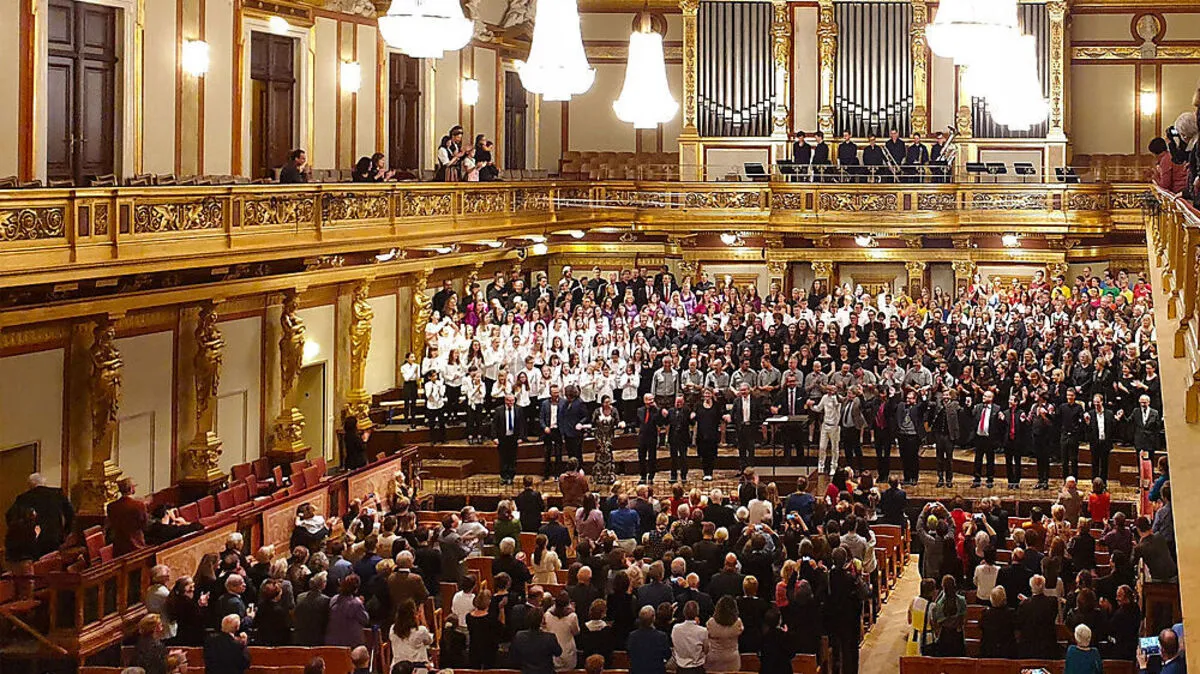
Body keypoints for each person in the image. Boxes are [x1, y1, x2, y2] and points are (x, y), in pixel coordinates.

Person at [7, 473, 74, 555]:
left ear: (30, 485)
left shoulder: (23, 498)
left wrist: (19, 534)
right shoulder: (57, 494)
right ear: (44, 483)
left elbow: (10, 516)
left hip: (33, 539)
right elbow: (70, 514)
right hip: (54, 536)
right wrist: (66, 532)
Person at [511, 607, 562, 674]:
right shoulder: (550, 637)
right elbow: (558, 652)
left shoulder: (519, 636)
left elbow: (514, 655)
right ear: (542, 621)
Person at [107, 477, 149, 556]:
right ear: (131, 489)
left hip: (119, 547)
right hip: (136, 545)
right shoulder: (139, 505)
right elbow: (145, 525)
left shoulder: (111, 506)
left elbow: (111, 524)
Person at [390, 600, 433, 673]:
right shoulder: (421, 631)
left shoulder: (392, 629)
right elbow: (430, 641)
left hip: (397, 670)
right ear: (414, 615)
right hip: (417, 670)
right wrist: (423, 621)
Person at [326, 575, 369, 647]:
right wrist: (361, 603)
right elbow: (365, 620)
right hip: (350, 643)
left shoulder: (334, 599)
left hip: (332, 641)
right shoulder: (356, 603)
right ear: (356, 589)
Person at [929, 575, 966, 656]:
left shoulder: (938, 604)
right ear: (954, 585)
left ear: (943, 587)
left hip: (944, 637)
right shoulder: (962, 600)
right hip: (958, 636)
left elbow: (936, 623)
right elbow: (963, 619)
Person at [627, 606, 671, 674]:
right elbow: (667, 655)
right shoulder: (661, 636)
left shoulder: (632, 636)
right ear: (654, 618)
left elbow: (629, 654)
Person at [494, 393, 525, 485]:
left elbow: (522, 424)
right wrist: (494, 437)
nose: (510, 402)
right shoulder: (499, 410)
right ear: (505, 400)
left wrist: (521, 437)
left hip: (514, 438)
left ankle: (511, 476)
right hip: (502, 438)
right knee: (503, 458)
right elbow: (494, 425)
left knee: (512, 458)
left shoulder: (518, 409)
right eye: (509, 400)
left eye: (512, 400)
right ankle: (503, 476)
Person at [294, 571, 331, 646]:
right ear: (323, 584)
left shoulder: (300, 597)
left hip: (301, 634)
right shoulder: (325, 600)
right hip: (317, 636)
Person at [672, 600, 709, 674]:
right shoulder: (703, 631)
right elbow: (706, 650)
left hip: (681, 668)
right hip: (697, 669)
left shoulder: (676, 628)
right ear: (697, 613)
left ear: (684, 612)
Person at [979, 586, 1017, 659]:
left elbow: (980, 627)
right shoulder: (1011, 613)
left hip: (989, 651)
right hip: (1007, 652)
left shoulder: (986, 614)